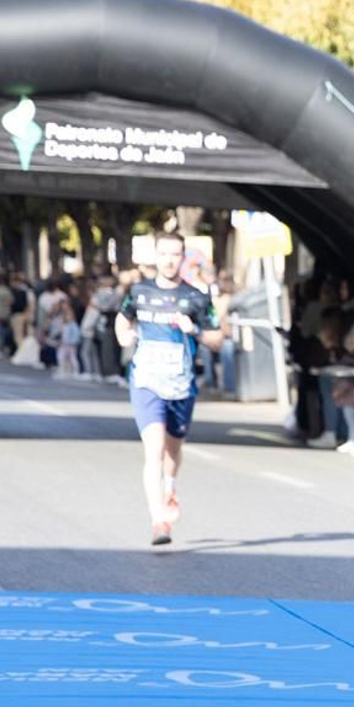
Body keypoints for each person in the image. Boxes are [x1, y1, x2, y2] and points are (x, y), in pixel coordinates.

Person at [115, 231, 222, 546]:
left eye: (175, 255)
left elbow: (217, 339)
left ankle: (170, 487)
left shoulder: (197, 297)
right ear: (156, 256)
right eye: (164, 254)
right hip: (146, 381)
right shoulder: (139, 292)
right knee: (155, 448)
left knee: (173, 451)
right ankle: (158, 520)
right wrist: (124, 336)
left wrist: (195, 330)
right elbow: (122, 320)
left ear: (183, 257)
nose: (169, 260)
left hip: (181, 385)